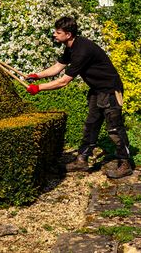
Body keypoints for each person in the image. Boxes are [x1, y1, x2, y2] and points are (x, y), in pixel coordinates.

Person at [26, 15, 133, 179]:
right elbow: (58, 67)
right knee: (91, 125)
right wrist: (37, 76)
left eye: (58, 32)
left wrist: (38, 89)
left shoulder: (82, 50)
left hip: (110, 91)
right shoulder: (70, 47)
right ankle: (81, 161)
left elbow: (63, 81)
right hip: (97, 91)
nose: (54, 34)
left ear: (68, 34)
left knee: (114, 129)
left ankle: (125, 164)